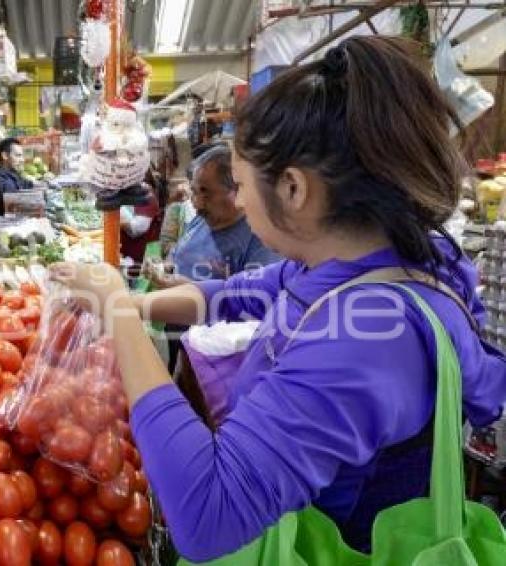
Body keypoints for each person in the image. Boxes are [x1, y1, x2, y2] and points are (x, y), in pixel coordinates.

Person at [51, 36, 506, 561]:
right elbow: (240, 294)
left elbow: (208, 514)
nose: (238, 200)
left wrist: (120, 317)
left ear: (293, 190)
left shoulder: (373, 335)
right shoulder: (354, 262)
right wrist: (124, 305)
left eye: (242, 185)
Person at [146, 145, 279, 289]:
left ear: (236, 190)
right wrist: (161, 269)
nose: (197, 203)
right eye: (195, 192)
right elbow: (176, 256)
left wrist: (191, 290)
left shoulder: (260, 239)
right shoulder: (202, 220)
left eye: (206, 193)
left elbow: (257, 301)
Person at [0, 137, 32, 217]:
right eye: (18, 155)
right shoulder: (0, 179)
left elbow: (27, 184)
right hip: (7, 227)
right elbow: (10, 204)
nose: (22, 160)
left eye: (22, 156)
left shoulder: (13, 175)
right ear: (5, 156)